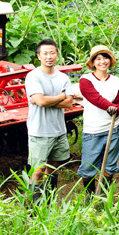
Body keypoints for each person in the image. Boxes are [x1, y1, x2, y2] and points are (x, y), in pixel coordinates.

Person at [25, 38, 73, 203]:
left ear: (57, 55)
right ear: (38, 56)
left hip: (59, 131)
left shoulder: (63, 78)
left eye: (52, 53)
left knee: (52, 169)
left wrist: (46, 99)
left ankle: (49, 202)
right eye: (45, 53)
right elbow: (41, 101)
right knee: (37, 171)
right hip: (39, 131)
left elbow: (69, 103)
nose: (49, 56)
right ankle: (33, 206)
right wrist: (60, 96)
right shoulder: (33, 76)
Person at [77, 45, 119, 198]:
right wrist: (118, 110)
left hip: (113, 128)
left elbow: (118, 102)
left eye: (105, 58)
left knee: (110, 165)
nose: (102, 61)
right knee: (87, 167)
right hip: (93, 130)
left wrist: (118, 109)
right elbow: (96, 99)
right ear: (93, 62)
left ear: (110, 61)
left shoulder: (117, 81)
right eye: (98, 59)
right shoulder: (85, 80)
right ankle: (90, 196)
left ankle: (103, 196)